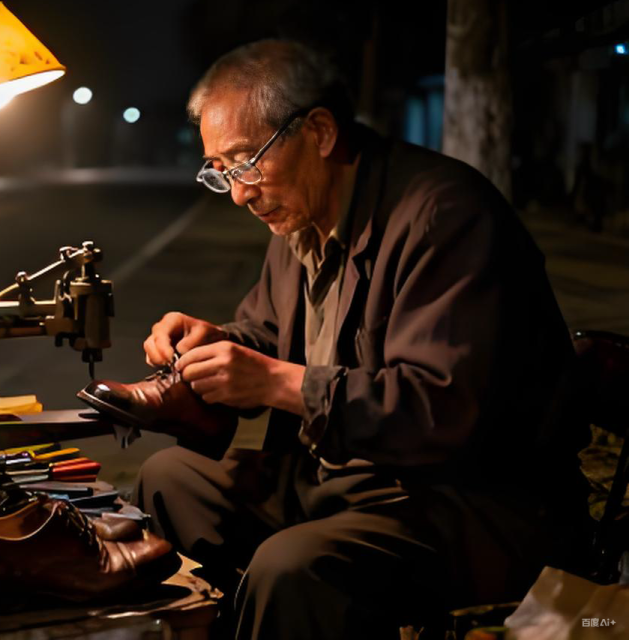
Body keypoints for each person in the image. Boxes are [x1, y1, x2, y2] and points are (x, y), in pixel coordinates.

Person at [85, 40, 590, 638]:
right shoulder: (302, 213)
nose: (241, 193)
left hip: (469, 501)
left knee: (292, 568)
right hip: (348, 478)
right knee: (170, 479)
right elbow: (269, 334)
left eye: (246, 162)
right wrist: (215, 343)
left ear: (319, 132)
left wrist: (275, 381)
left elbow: (441, 410)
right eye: (222, 172)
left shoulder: (444, 218)